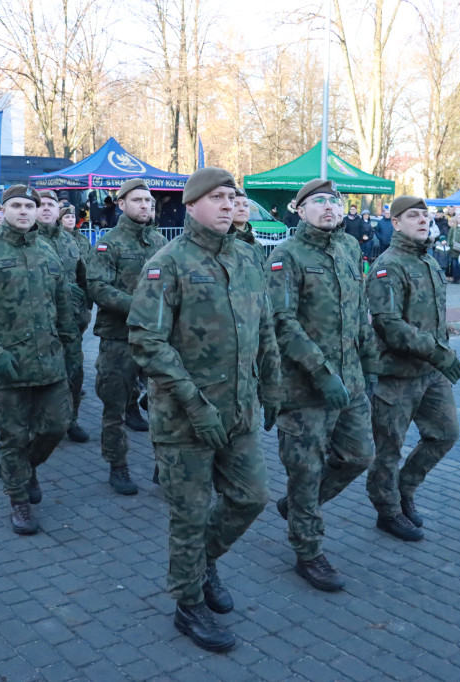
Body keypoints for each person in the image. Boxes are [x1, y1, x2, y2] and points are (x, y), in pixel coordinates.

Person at [128, 167, 281, 653]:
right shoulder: (168, 262)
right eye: (215, 197)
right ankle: (188, 602)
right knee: (189, 516)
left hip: (239, 411)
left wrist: (273, 387)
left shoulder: (248, 256)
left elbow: (266, 327)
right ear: (191, 206)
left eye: (232, 197)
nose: (226, 205)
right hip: (184, 418)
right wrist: (195, 404)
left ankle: (203, 561)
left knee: (251, 497)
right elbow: (146, 341)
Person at [267, 179, 378, 588]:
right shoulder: (286, 256)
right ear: (299, 210)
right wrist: (321, 371)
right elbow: (282, 321)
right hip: (305, 388)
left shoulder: (349, 247)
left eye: (334, 201)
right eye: (318, 202)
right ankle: (308, 550)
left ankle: (298, 507)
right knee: (306, 470)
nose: (329, 207)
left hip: (351, 382)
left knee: (359, 456)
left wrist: (371, 362)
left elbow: (359, 309)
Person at [0, 185, 77, 535]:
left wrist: (70, 346)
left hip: (48, 361)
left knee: (56, 426)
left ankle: (26, 468)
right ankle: (18, 497)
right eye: (17, 206)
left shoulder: (48, 252)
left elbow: (63, 302)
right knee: (12, 437)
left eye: (30, 206)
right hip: (6, 363)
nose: (24, 211)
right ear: (3, 210)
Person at [366, 195, 460, 541]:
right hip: (397, 374)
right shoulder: (388, 265)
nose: (423, 220)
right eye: (413, 216)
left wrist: (441, 347)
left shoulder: (430, 261)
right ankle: (387, 510)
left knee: (445, 434)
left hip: (431, 372)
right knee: (388, 448)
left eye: (426, 215)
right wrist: (438, 352)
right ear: (396, 223)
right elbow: (389, 326)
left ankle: (405, 489)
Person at [86, 178, 167, 495]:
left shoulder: (161, 242)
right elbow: (99, 288)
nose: (145, 206)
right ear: (121, 204)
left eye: (149, 201)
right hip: (119, 338)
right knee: (114, 408)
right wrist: (139, 308)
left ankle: (165, 467)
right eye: (137, 201)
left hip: (157, 339)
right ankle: (117, 466)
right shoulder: (109, 244)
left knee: (165, 405)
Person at [36, 193, 90, 443]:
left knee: (74, 373)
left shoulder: (70, 241)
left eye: (51, 205)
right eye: (41, 205)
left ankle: (72, 420)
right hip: (36, 326)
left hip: (69, 325)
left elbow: (83, 279)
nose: (46, 209)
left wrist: (84, 312)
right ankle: (40, 423)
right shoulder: (26, 241)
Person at [231, 187, 266, 269]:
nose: (242, 209)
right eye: (235, 205)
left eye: (246, 205)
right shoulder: (222, 242)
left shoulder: (256, 245)